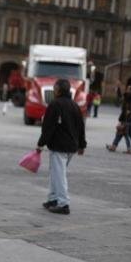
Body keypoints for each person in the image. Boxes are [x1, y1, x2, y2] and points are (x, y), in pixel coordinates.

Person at [37, 79, 86, 215]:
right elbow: (81, 127)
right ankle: (53, 199)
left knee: (59, 175)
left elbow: (48, 127)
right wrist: (82, 144)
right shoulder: (74, 105)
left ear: (58, 90)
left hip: (59, 145)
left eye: (55, 88)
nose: (54, 90)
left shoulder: (55, 104)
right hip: (71, 146)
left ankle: (63, 203)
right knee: (55, 173)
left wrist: (41, 143)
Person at [106, 85, 131, 154]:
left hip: (129, 119)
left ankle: (130, 148)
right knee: (122, 132)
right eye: (127, 88)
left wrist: (130, 111)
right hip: (124, 117)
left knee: (125, 133)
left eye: (128, 88)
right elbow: (120, 95)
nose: (127, 89)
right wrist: (118, 87)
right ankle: (114, 146)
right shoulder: (127, 96)